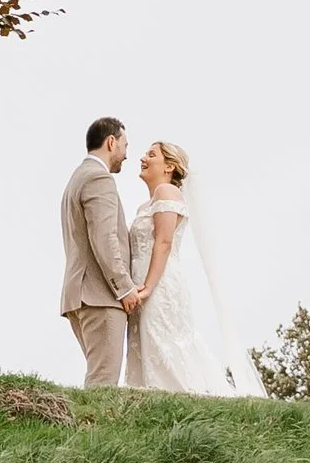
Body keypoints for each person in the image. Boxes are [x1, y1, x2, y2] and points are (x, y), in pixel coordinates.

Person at [123, 138, 234, 395]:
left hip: (159, 283)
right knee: (149, 340)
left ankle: (187, 394)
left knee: (164, 340)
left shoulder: (167, 192)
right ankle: (151, 396)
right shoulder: (144, 206)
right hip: (142, 281)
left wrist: (149, 287)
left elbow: (163, 241)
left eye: (151, 155)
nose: (143, 159)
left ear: (169, 166)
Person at [58, 114, 141, 387]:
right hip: (100, 296)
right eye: (125, 146)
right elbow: (105, 239)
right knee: (102, 384)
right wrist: (125, 287)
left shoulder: (77, 178)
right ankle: (91, 431)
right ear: (111, 142)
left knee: (98, 377)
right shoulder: (99, 179)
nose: (127, 155)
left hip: (80, 295)